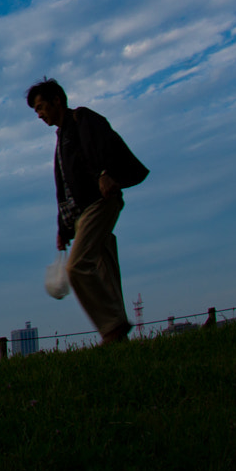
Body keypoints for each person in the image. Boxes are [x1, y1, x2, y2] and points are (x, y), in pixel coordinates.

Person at [26, 78, 148, 344]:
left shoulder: (82, 119)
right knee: (105, 268)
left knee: (78, 266)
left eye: (40, 106)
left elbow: (98, 148)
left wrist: (104, 174)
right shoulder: (63, 136)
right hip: (82, 211)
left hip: (98, 201)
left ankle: (112, 326)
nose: (38, 114)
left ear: (57, 100)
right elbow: (66, 185)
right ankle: (118, 335)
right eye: (35, 110)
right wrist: (63, 228)